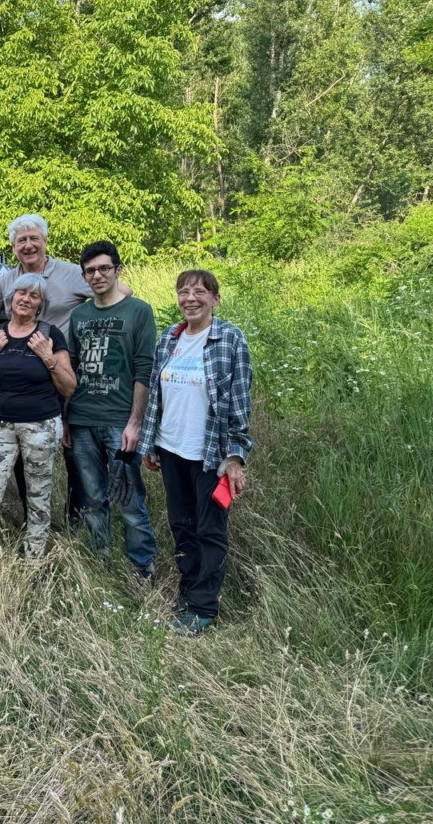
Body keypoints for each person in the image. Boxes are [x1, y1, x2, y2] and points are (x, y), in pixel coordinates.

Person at [0, 214, 132, 529]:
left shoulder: (72, 274)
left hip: (66, 375)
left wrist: (94, 327)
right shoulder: (8, 280)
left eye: (34, 238)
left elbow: (122, 290)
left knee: (75, 455)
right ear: (13, 246)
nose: (28, 245)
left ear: (46, 241)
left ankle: (78, 524)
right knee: (26, 456)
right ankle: (29, 519)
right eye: (21, 240)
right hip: (25, 383)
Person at [137, 269, 253, 638]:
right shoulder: (168, 338)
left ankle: (203, 609)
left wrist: (234, 456)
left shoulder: (229, 339)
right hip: (171, 450)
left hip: (210, 454)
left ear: (215, 299)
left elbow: (239, 401)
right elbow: (157, 396)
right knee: (182, 526)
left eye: (200, 292)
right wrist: (151, 443)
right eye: (184, 292)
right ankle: (187, 597)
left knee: (209, 530)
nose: (190, 298)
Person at [0, 273, 76, 562]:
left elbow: (68, 386)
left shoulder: (50, 335)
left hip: (40, 424)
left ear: (41, 304)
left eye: (34, 295)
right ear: (11, 298)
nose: (26, 299)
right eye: (21, 293)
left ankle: (34, 556)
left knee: (38, 492)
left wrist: (48, 357)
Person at [66, 241, 158, 578]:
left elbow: (144, 368)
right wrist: (66, 418)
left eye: (105, 268)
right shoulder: (79, 315)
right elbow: (72, 368)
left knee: (130, 500)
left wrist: (136, 423)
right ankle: (100, 563)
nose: (98, 275)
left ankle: (141, 568)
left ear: (118, 270)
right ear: (84, 277)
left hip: (121, 422)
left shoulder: (138, 311)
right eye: (90, 271)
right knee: (92, 498)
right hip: (82, 419)